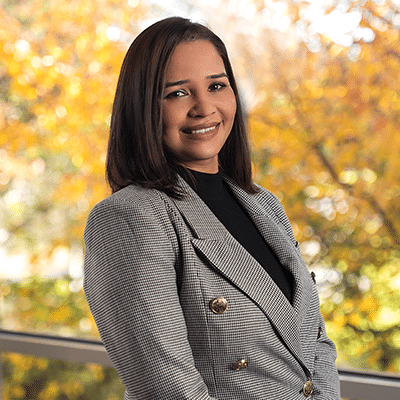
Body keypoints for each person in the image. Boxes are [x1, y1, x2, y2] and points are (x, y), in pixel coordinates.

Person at [83, 16, 341, 400]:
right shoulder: (130, 216)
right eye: (177, 93)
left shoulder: (263, 203)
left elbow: (314, 344)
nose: (204, 107)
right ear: (142, 108)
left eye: (217, 86)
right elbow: (166, 388)